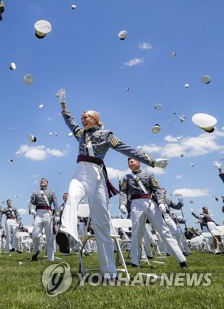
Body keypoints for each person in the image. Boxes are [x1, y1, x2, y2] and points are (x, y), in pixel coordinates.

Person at [55, 88, 169, 279]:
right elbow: (70, 121)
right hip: (80, 171)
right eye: (82, 117)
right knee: (72, 197)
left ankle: (110, 272)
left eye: (86, 117)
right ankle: (66, 234)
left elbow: (126, 149)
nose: (83, 119)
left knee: (102, 225)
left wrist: (152, 161)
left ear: (96, 119)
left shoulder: (106, 135)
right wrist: (63, 105)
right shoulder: (80, 134)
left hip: (97, 176)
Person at [119, 158, 187, 268]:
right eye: (129, 162)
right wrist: (122, 203)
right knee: (136, 232)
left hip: (150, 202)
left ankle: (181, 260)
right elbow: (123, 192)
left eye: (132, 161)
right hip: (135, 203)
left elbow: (157, 189)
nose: (130, 163)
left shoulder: (149, 174)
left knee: (164, 231)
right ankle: (135, 261)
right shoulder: (126, 177)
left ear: (138, 162)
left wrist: (161, 202)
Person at [29, 178, 58, 261]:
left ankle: (50, 257)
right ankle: (36, 251)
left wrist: (56, 215)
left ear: (47, 183)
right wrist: (32, 209)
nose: (42, 182)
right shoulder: (35, 193)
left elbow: (56, 205)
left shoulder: (51, 192)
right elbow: (31, 203)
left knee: (49, 236)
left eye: (44, 181)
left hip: (48, 213)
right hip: (38, 213)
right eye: (41, 181)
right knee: (35, 235)